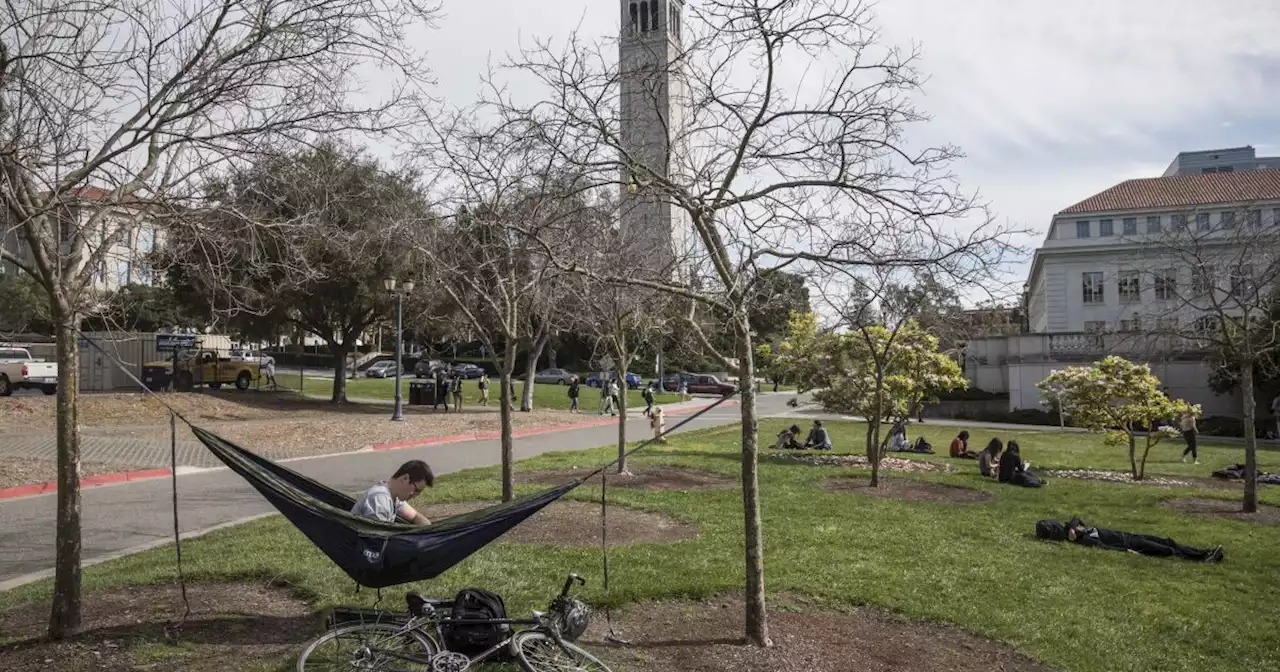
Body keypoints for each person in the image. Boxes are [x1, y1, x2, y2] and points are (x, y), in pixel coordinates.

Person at [1054, 516, 1223, 563]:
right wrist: (1129, 551)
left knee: (1168, 541)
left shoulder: (1083, 529)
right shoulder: (1086, 540)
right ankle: (1202, 557)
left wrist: (1071, 528)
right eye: (1077, 529)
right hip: (1132, 544)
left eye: (1078, 527)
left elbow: (1076, 517)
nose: (1080, 526)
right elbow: (1106, 548)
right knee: (1167, 550)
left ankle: (1204, 551)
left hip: (1133, 536)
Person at [352, 460, 435, 524]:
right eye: (416, 490)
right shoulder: (380, 500)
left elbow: (415, 516)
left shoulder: (393, 496)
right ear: (405, 479)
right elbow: (377, 540)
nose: (416, 495)